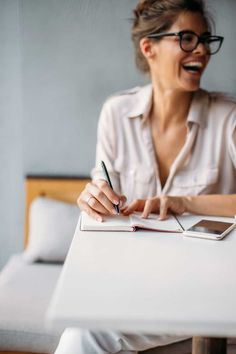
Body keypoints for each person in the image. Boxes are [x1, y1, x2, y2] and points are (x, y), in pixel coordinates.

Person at [55, 0, 236, 353]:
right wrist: (94, 197)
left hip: (215, 292)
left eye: (205, 39)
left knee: (84, 336)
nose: (201, 49)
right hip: (140, 287)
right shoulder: (116, 113)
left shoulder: (229, 117)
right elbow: (102, 194)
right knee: (81, 334)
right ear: (148, 47)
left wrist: (183, 202)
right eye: (186, 38)